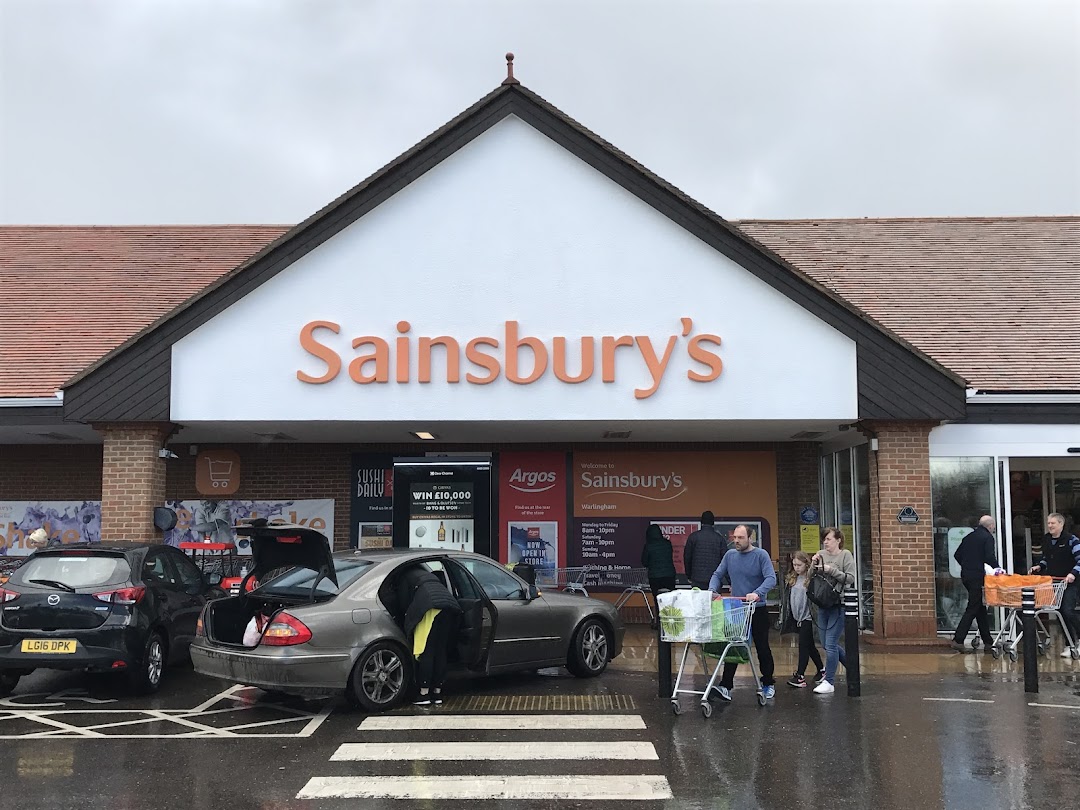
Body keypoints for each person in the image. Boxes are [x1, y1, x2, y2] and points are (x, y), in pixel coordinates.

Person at [708, 524, 778, 701]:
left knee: (762, 648)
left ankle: (768, 683)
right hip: (737, 609)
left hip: (757, 609)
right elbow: (717, 574)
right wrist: (712, 590)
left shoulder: (760, 555)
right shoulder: (730, 555)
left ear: (750, 538)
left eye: (740, 538)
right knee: (733, 646)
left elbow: (771, 578)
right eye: (734, 538)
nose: (736, 541)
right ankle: (726, 686)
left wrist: (757, 593)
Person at [396, 565, 462, 705]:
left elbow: (403, 603)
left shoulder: (404, 577)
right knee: (440, 651)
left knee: (426, 651)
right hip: (449, 608)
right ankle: (437, 692)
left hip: (429, 609)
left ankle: (424, 693)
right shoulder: (428, 575)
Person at [811, 527, 856, 695]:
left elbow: (850, 578)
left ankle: (829, 681)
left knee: (830, 644)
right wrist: (813, 563)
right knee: (826, 643)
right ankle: (852, 668)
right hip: (823, 603)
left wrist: (832, 570)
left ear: (838, 540)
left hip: (838, 603)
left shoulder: (846, 555)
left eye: (829, 539)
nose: (825, 542)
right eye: (824, 539)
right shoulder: (820, 553)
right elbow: (811, 577)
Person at [1029, 512, 1080, 657]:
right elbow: (1047, 557)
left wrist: (1073, 574)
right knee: (1060, 614)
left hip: (1070, 582)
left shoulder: (1071, 540)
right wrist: (1039, 566)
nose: (1050, 526)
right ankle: (1069, 644)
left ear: (1061, 524)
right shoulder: (1046, 539)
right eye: (1049, 523)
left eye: (1053, 523)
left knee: (1068, 611)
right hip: (1055, 582)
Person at [950, 515, 999, 653]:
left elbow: (957, 554)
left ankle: (988, 641)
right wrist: (998, 569)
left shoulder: (969, 537)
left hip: (966, 575)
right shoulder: (987, 537)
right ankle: (958, 639)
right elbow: (989, 557)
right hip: (977, 576)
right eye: (993, 527)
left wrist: (967, 565)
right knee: (973, 607)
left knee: (979, 607)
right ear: (990, 526)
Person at [779, 551, 824, 687]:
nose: (797, 568)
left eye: (799, 565)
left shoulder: (811, 580)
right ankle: (821, 669)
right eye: (794, 565)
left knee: (803, 646)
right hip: (797, 617)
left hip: (808, 617)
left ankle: (800, 675)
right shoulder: (793, 579)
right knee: (809, 646)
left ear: (806, 564)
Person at [684, 511, 732, 590]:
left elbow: (687, 558)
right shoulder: (719, 538)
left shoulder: (693, 537)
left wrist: (689, 575)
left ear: (701, 522)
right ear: (713, 523)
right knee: (714, 602)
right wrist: (730, 581)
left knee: (698, 601)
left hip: (697, 579)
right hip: (715, 580)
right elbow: (726, 561)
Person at [641, 524, 676, 602]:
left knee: (657, 598)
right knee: (670, 598)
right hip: (669, 576)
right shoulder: (667, 543)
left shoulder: (648, 546)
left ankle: (659, 613)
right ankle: (670, 613)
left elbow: (644, 562)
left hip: (655, 577)